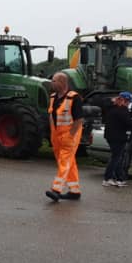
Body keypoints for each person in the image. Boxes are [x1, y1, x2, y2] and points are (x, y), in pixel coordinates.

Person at [46, 72, 84, 202]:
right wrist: (52, 134)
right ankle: (74, 191)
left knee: (64, 161)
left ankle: (56, 189)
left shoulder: (74, 98)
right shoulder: (52, 97)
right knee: (69, 162)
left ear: (62, 83)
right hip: (56, 135)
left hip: (69, 135)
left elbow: (79, 120)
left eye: (54, 81)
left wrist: (71, 135)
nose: (52, 83)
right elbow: (51, 115)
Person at [103, 92, 132, 187]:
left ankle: (119, 178)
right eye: (129, 101)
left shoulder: (111, 108)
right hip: (118, 137)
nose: (129, 104)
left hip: (109, 136)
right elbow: (128, 122)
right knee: (116, 158)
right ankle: (107, 178)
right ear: (125, 101)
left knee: (117, 157)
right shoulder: (123, 110)